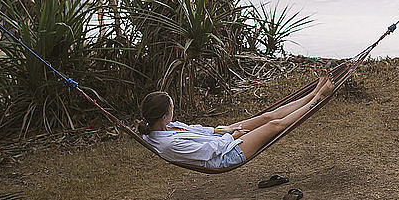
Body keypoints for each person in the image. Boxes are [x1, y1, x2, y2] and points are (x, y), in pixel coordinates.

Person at [139, 73, 335, 169]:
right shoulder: (170, 144)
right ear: (165, 116)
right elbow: (209, 152)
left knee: (267, 117)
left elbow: (201, 132)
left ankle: (313, 93)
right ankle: (318, 98)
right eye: (172, 109)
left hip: (223, 139)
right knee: (274, 126)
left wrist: (224, 131)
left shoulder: (166, 127)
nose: (174, 113)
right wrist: (233, 136)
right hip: (225, 155)